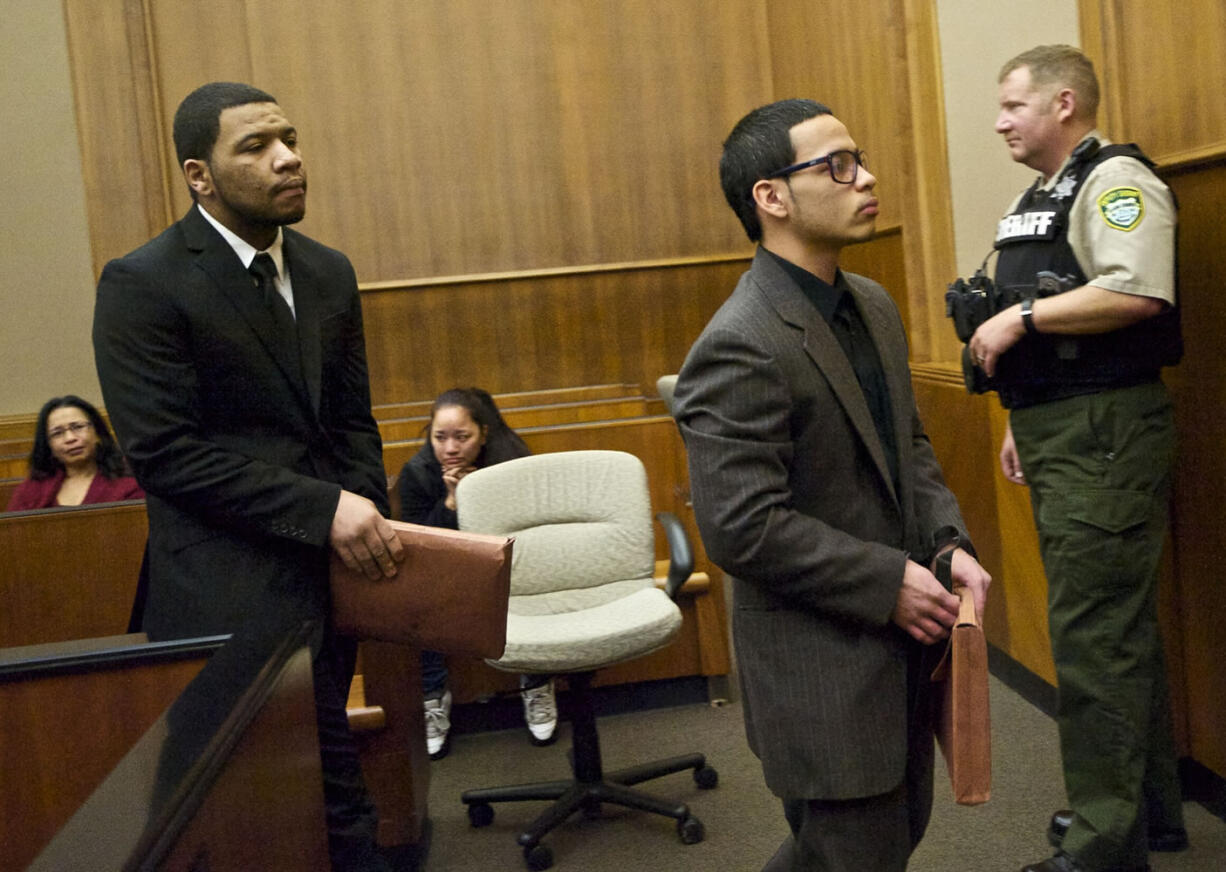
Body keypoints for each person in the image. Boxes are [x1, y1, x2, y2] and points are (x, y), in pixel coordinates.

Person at [92, 82, 404, 872]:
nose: (289, 157)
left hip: (333, 583)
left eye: (290, 138)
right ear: (200, 175)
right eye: (257, 146)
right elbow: (164, 454)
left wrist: (362, 510)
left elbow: (350, 421)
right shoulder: (144, 281)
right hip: (226, 598)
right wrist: (325, 507)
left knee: (324, 802)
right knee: (286, 815)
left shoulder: (328, 271)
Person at [673, 99, 991, 871]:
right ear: (771, 198)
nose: (867, 177)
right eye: (838, 166)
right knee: (858, 850)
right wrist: (889, 582)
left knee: (877, 840)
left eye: (861, 158)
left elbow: (907, 447)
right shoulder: (738, 344)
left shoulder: (873, 305)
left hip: (903, 652)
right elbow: (741, 528)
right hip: (822, 671)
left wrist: (949, 543)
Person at [966, 45, 1186, 872]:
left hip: (1106, 432)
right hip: (1066, 423)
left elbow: (1137, 292)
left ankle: (1104, 846)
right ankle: (1144, 812)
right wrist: (1026, 410)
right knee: (1113, 633)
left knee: (1095, 638)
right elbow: (1067, 310)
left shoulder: (1116, 183)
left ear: (1063, 103)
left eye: (1013, 106)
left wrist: (1019, 323)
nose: (1000, 122)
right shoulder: (1045, 195)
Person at [397, 387, 557, 759]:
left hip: (509, 568)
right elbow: (422, 548)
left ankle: (536, 682)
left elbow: (529, 533)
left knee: (532, 583)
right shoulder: (418, 473)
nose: (450, 448)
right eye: (440, 437)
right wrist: (452, 502)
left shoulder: (511, 462)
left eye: (461, 437)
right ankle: (433, 698)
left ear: (483, 434)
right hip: (445, 575)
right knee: (414, 600)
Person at [5, 395, 143, 510]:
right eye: (57, 433)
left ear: (97, 433)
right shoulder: (31, 491)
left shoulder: (129, 481)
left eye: (77, 427)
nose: (70, 438)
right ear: (48, 445)